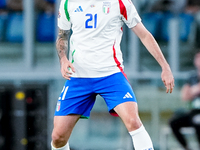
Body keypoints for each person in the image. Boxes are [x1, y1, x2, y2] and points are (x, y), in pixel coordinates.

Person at [51, 0, 175, 150]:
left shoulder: (120, 2)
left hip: (110, 75)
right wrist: (63, 59)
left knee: (133, 121)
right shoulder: (67, 3)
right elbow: (62, 35)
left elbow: (144, 35)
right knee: (58, 137)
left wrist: (165, 66)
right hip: (78, 77)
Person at [169, 52, 200, 150]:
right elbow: (185, 96)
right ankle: (186, 147)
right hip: (193, 110)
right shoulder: (192, 77)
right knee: (174, 122)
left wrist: (193, 90)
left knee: (198, 121)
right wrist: (195, 90)